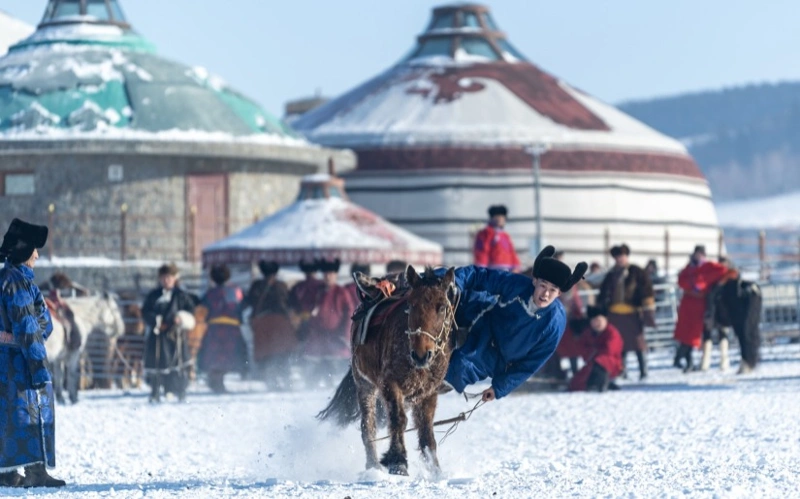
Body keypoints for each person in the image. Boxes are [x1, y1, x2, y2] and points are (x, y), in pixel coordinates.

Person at [439, 246, 587, 401]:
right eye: (543, 286)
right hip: (483, 318)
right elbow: (481, 276)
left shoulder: (554, 324)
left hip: (495, 356)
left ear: (559, 293)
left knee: (458, 368)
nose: (546, 294)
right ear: (535, 281)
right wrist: (452, 283)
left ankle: (426, 389)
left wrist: (499, 388)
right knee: (444, 302)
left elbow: (530, 364)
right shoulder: (517, 285)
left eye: (553, 290)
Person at [0, 218, 66, 488]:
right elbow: (28, 326)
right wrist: (39, 367)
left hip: (6, 360)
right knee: (33, 412)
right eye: (34, 251)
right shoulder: (17, 282)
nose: (37, 255)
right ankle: (36, 472)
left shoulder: (8, 278)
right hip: (20, 361)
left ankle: (6, 472)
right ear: (23, 252)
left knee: (8, 415)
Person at [673, 246, 738, 372]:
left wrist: (703, 282)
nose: (699, 257)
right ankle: (688, 361)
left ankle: (684, 359)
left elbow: (722, 271)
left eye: (701, 254)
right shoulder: (689, 268)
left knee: (694, 335)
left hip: (701, 304)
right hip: (688, 305)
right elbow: (681, 281)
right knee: (686, 334)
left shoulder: (709, 266)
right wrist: (693, 284)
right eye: (697, 254)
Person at [597, 244, 656, 380]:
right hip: (614, 315)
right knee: (619, 344)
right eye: (617, 257)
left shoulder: (636, 272)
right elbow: (603, 294)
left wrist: (648, 310)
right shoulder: (611, 275)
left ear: (626, 257)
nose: (620, 259)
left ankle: (643, 370)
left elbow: (647, 291)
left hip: (632, 313)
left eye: (622, 256)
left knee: (638, 343)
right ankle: (621, 370)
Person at [142, 263, 199, 402]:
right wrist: (156, 320)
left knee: (178, 364)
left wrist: (181, 318)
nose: (166, 280)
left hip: (176, 336)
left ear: (174, 279)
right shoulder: (153, 295)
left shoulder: (182, 295)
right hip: (157, 336)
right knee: (156, 364)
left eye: (169, 277)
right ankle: (155, 392)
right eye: (163, 278)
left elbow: (191, 310)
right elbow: (145, 312)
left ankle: (180, 392)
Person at [301, 258, 355, 387]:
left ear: (335, 275)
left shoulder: (342, 292)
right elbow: (306, 309)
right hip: (317, 339)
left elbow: (350, 314)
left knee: (336, 375)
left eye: (331, 274)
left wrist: (346, 334)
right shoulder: (316, 292)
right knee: (312, 376)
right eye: (325, 274)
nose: (328, 277)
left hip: (336, 340)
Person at [245, 260, 296, 390]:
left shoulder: (257, 286)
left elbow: (250, 301)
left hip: (263, 323)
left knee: (266, 353)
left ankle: (271, 380)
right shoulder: (281, 285)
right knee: (282, 351)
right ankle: (285, 379)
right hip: (281, 322)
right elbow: (289, 303)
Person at [197, 264, 247, 393]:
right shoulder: (236, 291)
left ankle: (216, 381)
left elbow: (202, 307)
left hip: (214, 328)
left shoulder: (210, 293)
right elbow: (242, 306)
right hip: (232, 328)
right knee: (229, 355)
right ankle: (220, 380)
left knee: (214, 356)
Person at [568, 306, 624, 392]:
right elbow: (581, 346)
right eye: (594, 321)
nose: (597, 324)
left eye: (599, 321)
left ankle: (602, 384)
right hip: (592, 362)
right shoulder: (588, 332)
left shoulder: (612, 332)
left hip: (611, 363)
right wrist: (590, 353)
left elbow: (609, 350)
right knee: (577, 381)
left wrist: (595, 351)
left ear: (605, 320)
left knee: (601, 362)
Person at [552, 251, 585, 377]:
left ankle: (575, 372)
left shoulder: (569, 278)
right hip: (552, 317)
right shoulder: (547, 277)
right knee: (552, 347)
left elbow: (575, 298)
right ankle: (556, 373)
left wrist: (579, 313)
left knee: (571, 347)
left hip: (568, 318)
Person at [473, 204, 521, 272]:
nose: (500, 219)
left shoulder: (505, 236)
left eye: (502, 217)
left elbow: (512, 252)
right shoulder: (485, 234)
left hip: (508, 271)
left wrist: (516, 266)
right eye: (498, 216)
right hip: (493, 271)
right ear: (492, 218)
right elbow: (482, 252)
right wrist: (481, 271)